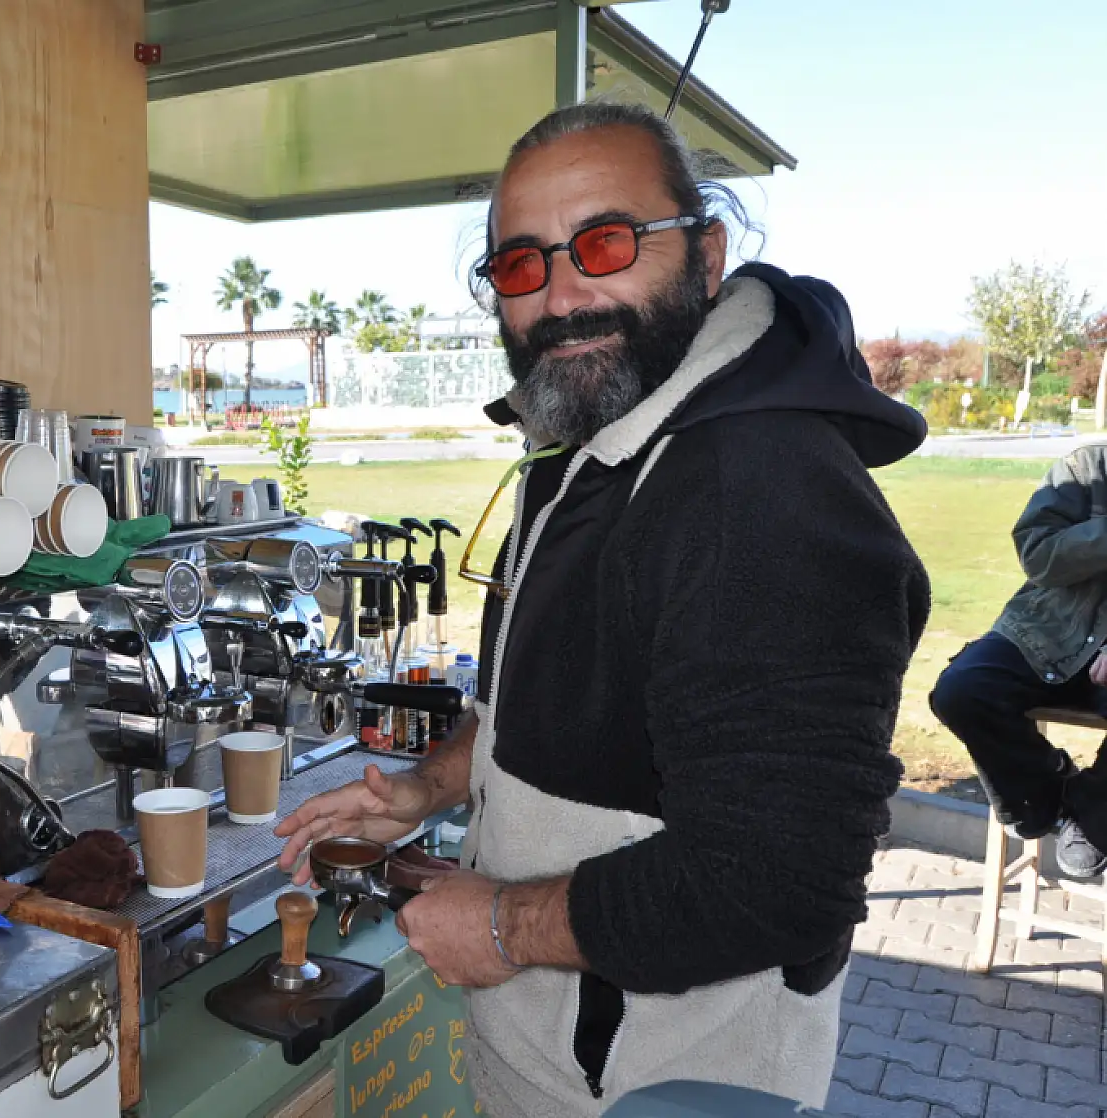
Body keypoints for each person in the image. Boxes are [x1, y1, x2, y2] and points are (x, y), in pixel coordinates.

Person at [275, 101, 930, 1115]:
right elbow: (564, 708)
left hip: (664, 1085)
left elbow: (777, 875)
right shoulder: (592, 434)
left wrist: (499, 928)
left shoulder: (756, 490)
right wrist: (429, 786)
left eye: (604, 243)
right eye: (521, 264)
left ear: (704, 254)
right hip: (553, 1065)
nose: (562, 297)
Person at [930, 447, 1107, 879]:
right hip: (1047, 632)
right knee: (962, 691)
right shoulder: (1085, 468)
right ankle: (1051, 794)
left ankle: (1093, 813)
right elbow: (1038, 555)